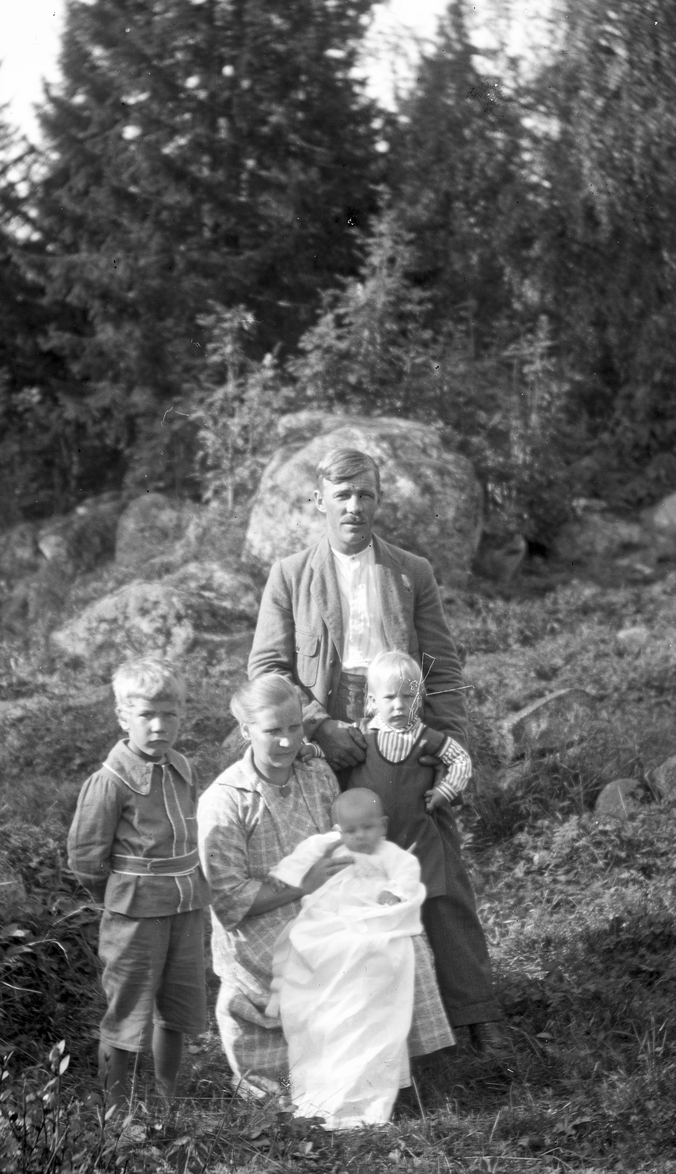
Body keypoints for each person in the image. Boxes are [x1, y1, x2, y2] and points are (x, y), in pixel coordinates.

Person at [248, 447, 506, 1052]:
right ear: (319, 502)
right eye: (342, 496)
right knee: (336, 872)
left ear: (379, 500)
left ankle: (474, 1011)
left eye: (365, 494)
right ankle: (349, 1025)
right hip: (325, 747)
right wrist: (319, 726)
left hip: (400, 732)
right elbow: (268, 667)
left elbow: (441, 667)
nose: (354, 507)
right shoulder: (290, 575)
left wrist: (446, 745)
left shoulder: (411, 571)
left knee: (436, 868)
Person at [196, 674, 454, 1103]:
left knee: (397, 934)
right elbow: (229, 902)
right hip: (262, 926)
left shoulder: (314, 773)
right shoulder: (225, 800)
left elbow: (340, 846)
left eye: (294, 727)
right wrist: (302, 884)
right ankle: (350, 1072)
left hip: (324, 903)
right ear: (245, 731)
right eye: (272, 731)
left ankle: (395, 1069)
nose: (286, 741)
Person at [67, 653, 209, 1119]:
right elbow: (86, 858)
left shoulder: (181, 767)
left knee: (178, 1008)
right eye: (147, 714)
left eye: (170, 714)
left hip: (185, 908)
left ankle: (169, 1104)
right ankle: (115, 1114)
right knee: (128, 1012)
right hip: (134, 915)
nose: (159, 726)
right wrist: (119, 898)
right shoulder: (108, 782)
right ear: (122, 716)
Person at [267, 789, 453, 1129]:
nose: (359, 836)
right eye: (350, 830)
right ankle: (322, 1081)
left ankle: (369, 1084)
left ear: (383, 826)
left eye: (367, 828)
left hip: (371, 913)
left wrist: (394, 891)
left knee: (377, 953)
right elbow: (303, 855)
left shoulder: (389, 853)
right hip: (333, 914)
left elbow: (407, 872)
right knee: (313, 952)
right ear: (339, 829)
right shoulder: (331, 845)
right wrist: (285, 874)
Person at [343, 649, 473, 1015]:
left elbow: (460, 760)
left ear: (421, 698)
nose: (399, 705)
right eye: (389, 697)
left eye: (408, 696)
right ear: (372, 700)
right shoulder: (360, 735)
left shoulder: (426, 738)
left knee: (419, 918)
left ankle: (430, 1001)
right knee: (375, 922)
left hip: (417, 843)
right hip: (374, 848)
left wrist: (445, 791)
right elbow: (326, 757)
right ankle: (378, 1001)